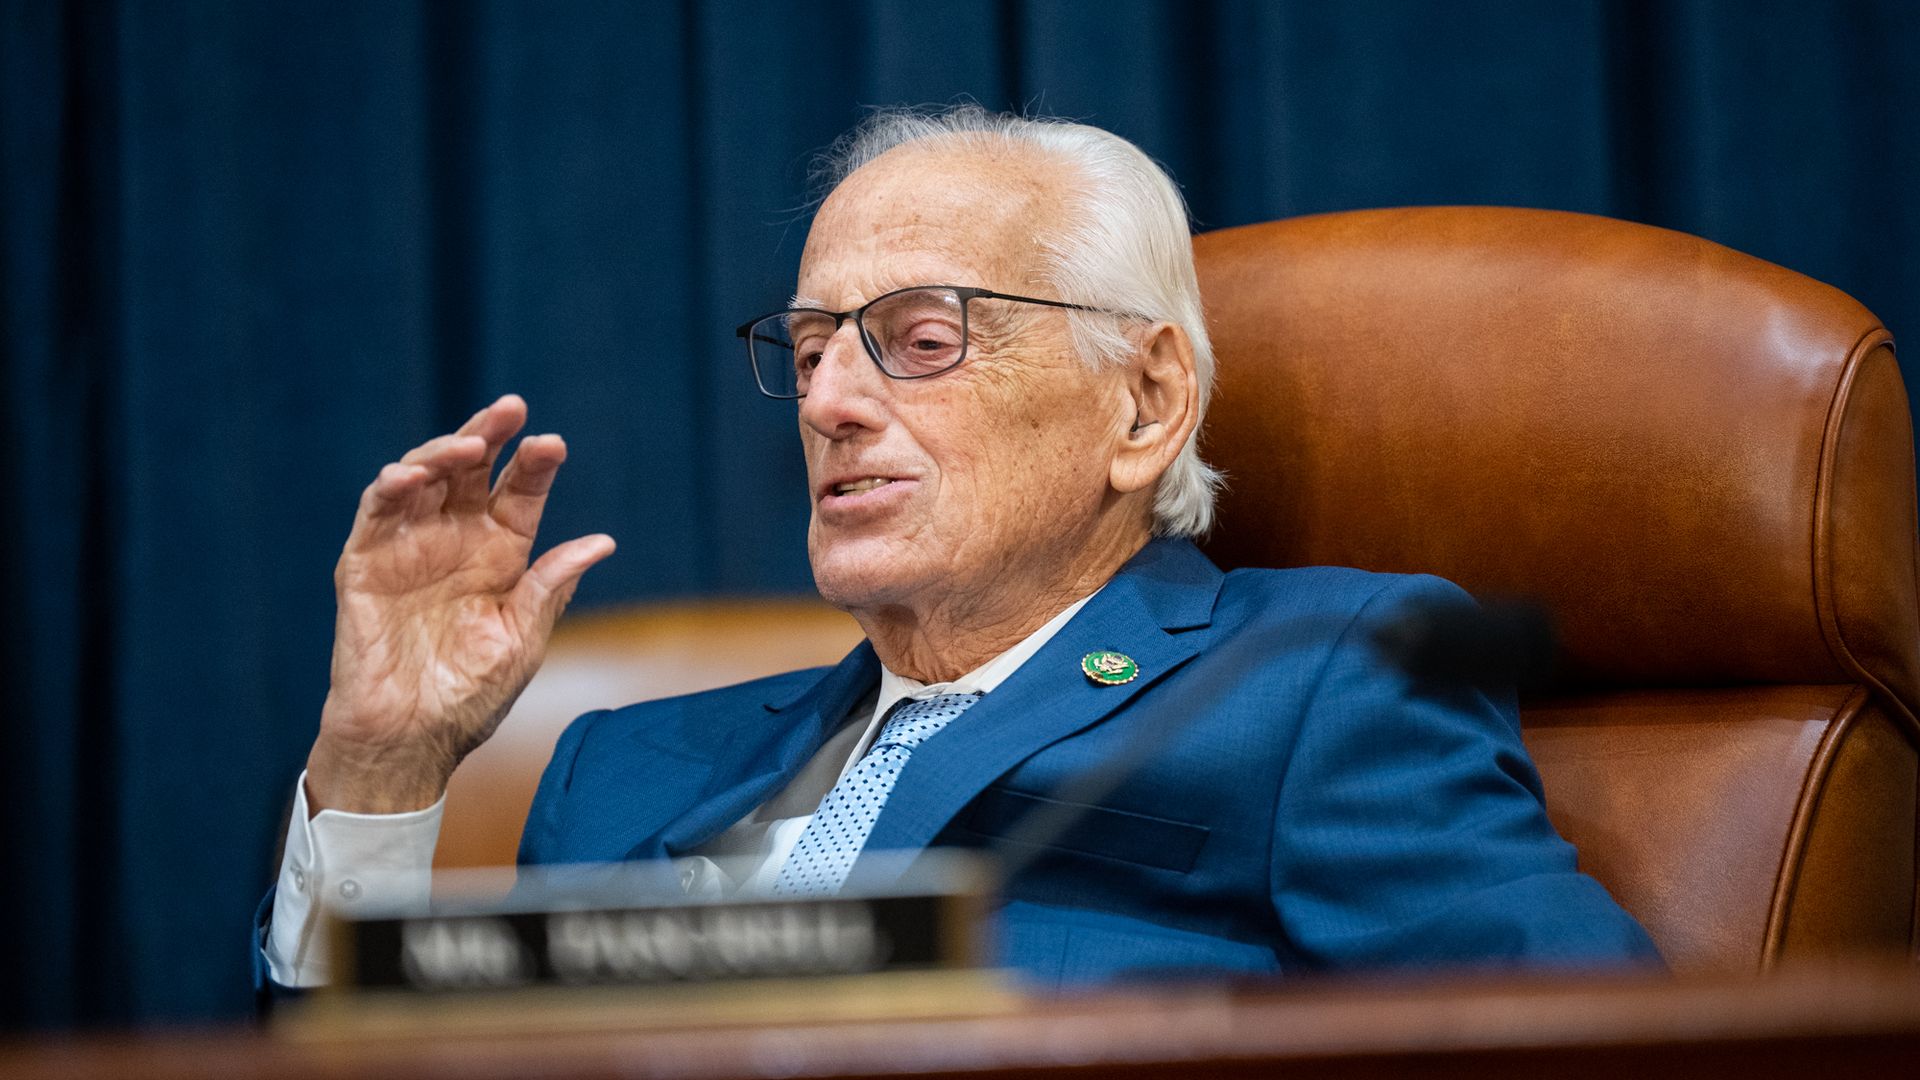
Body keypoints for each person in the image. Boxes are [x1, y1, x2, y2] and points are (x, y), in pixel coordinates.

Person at [257, 107, 1659, 992]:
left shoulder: (1317, 678)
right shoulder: (619, 769)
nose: (827, 401)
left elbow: (1594, 1047)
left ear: (1145, 403)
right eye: (812, 349)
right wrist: (382, 768)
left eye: (920, 339)